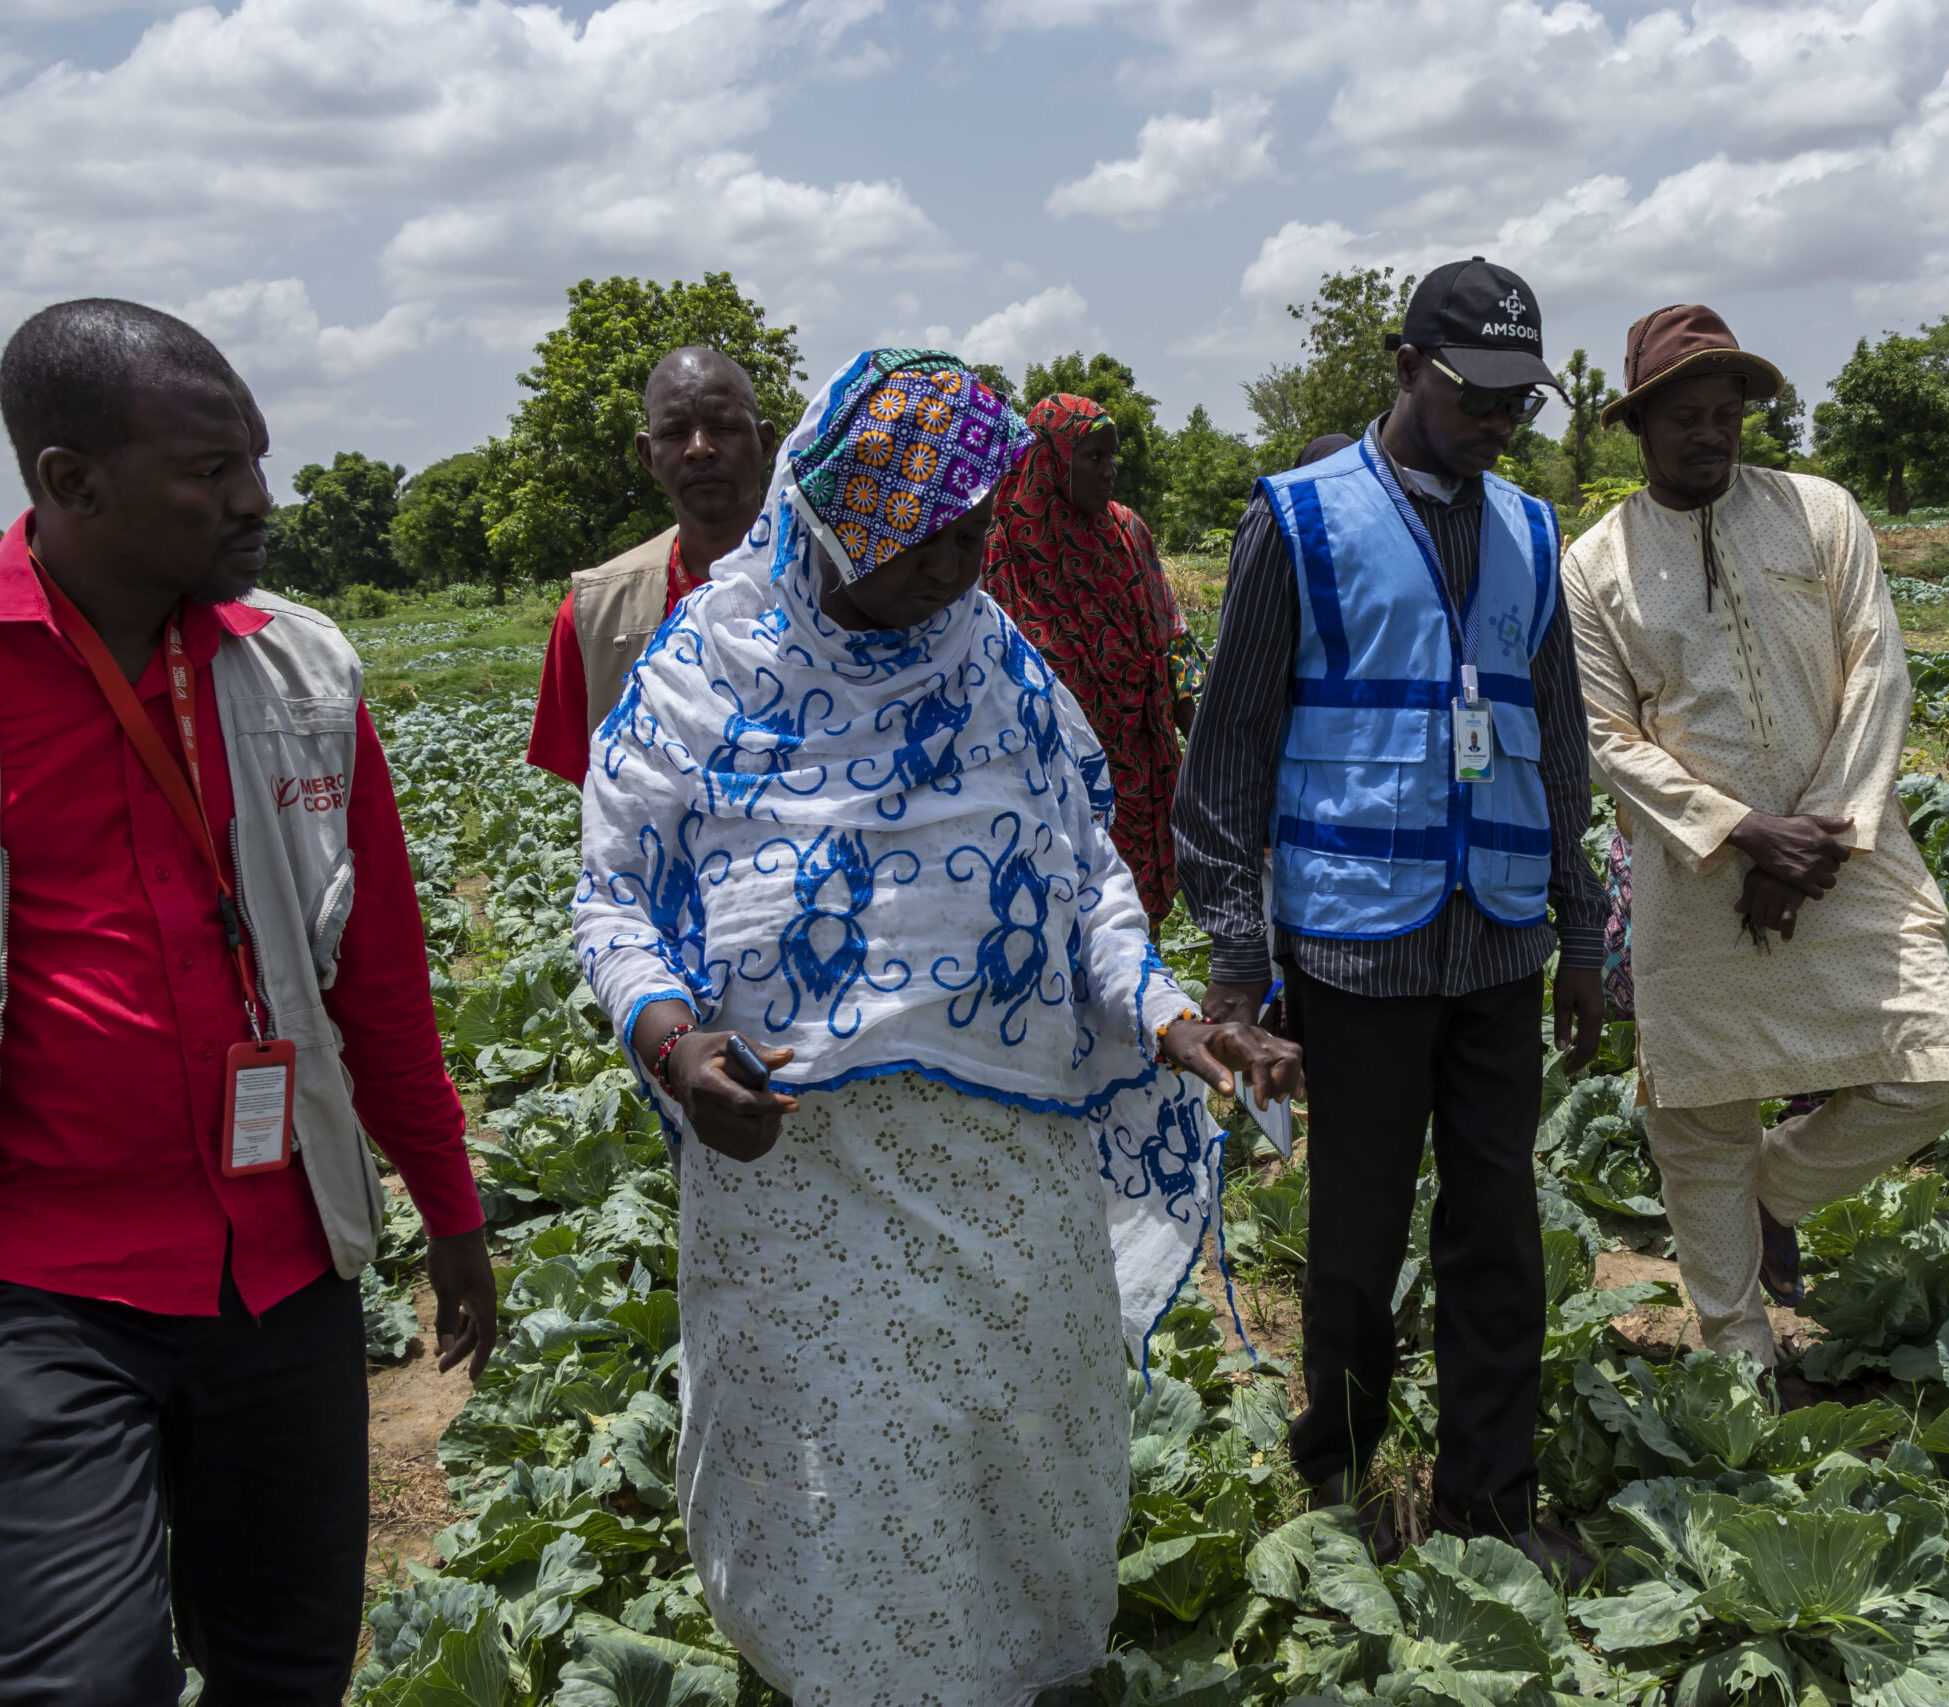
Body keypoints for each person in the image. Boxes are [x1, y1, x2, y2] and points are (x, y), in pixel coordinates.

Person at [572, 347, 1301, 1703]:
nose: (957, 565)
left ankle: (1020, 1666)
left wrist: (1171, 1014)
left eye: (974, 531)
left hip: (1006, 1149)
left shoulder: (997, 664)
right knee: (843, 1461)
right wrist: (674, 1043)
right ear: (836, 509)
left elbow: (1088, 880)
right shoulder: (704, 667)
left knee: (1028, 1435)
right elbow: (615, 900)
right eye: (922, 536)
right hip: (796, 1162)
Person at [0, 300, 493, 1702]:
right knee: (81, 1679)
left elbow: (381, 979)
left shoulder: (301, 666)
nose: (255, 499)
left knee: (287, 1660)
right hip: (45, 1279)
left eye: (255, 458)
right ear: (70, 481)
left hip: (282, 1259)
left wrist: (449, 1209)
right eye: (210, 471)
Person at [1173, 258, 1606, 1581]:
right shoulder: (1298, 519)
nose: (1493, 420)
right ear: (1406, 365)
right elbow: (1227, 755)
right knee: (1356, 1233)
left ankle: (1488, 1497)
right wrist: (1239, 958)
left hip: (1495, 939)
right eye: (1472, 392)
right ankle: (1341, 1469)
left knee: (1498, 1228)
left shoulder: (1532, 532)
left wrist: (1581, 926)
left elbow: (1560, 744)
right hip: (1355, 940)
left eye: (1515, 401)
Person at [1562, 303, 1949, 1383]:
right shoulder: (1594, 564)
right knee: (1697, 1117)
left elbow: (1876, 673)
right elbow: (1601, 735)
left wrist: (1821, 837)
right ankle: (1736, 1350)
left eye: (1726, 414)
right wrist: (1741, 833)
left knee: (1938, 1064)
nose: (1709, 434)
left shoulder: (1820, 514)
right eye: (1685, 419)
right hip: (1689, 871)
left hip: (1849, 853)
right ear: (1639, 426)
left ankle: (1771, 1194)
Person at [982, 392, 1196, 924]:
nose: (1110, 471)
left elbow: (1174, 644)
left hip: (1140, 769)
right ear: (1051, 461)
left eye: (1113, 457)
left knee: (1135, 926)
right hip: (1050, 786)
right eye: (1093, 457)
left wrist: (1207, 751)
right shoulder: (1001, 547)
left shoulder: (1128, 533)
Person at [524, 345, 777, 784]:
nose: (700, 448)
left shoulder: (837, 587)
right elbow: (591, 783)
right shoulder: (593, 614)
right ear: (647, 455)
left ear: (765, 443)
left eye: (723, 426)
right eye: (675, 432)